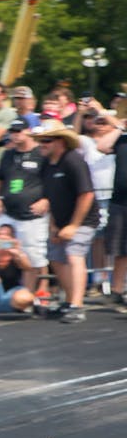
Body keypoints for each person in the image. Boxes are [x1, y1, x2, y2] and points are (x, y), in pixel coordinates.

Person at [37, 120, 100, 323]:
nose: (42, 144)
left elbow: (87, 194)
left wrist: (74, 225)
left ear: (61, 142)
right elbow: (51, 197)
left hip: (84, 220)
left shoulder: (74, 160)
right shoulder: (46, 165)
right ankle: (70, 300)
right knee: (55, 257)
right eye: (41, 140)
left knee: (74, 254)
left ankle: (77, 306)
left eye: (47, 140)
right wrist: (54, 226)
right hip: (61, 221)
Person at [0, 118, 50, 291]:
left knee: (34, 254)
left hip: (32, 214)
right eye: (12, 131)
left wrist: (47, 200)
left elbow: (53, 181)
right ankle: (10, 289)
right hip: (9, 215)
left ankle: (40, 289)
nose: (15, 135)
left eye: (19, 131)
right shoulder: (8, 154)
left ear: (28, 131)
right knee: (2, 249)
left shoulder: (41, 153)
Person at [95, 112, 127, 311]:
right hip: (120, 201)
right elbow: (101, 146)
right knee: (120, 250)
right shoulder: (121, 139)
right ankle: (117, 290)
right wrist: (119, 127)